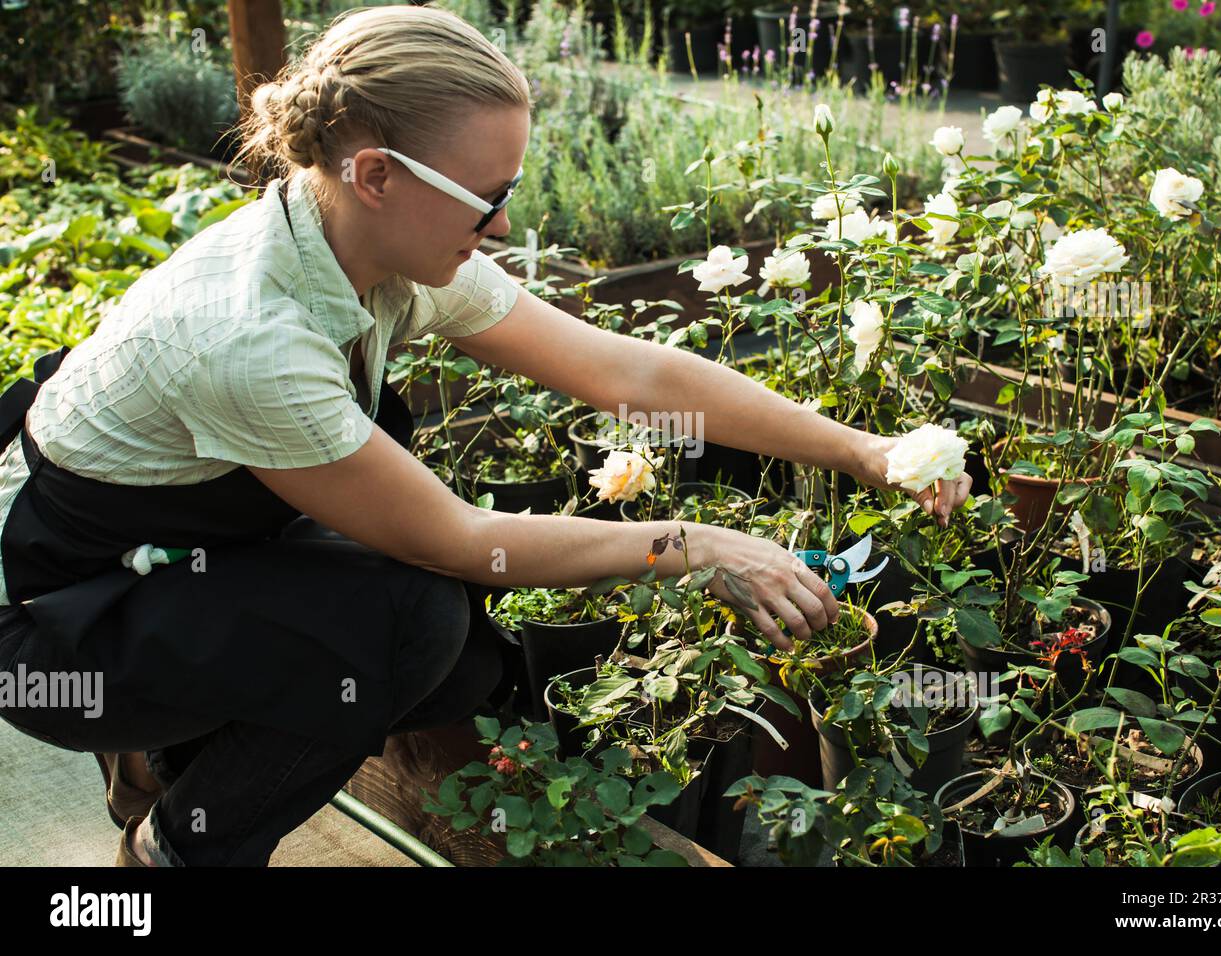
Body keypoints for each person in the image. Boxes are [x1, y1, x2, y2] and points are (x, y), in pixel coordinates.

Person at [0, 4, 971, 866]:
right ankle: (177, 839)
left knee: (452, 650)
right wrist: (699, 546)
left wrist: (862, 449)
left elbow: (626, 372)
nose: (504, 225)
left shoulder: (368, 238)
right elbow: (468, 539)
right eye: (487, 195)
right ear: (375, 173)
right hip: (58, 619)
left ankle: (163, 749)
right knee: (406, 623)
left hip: (188, 546)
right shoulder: (248, 336)